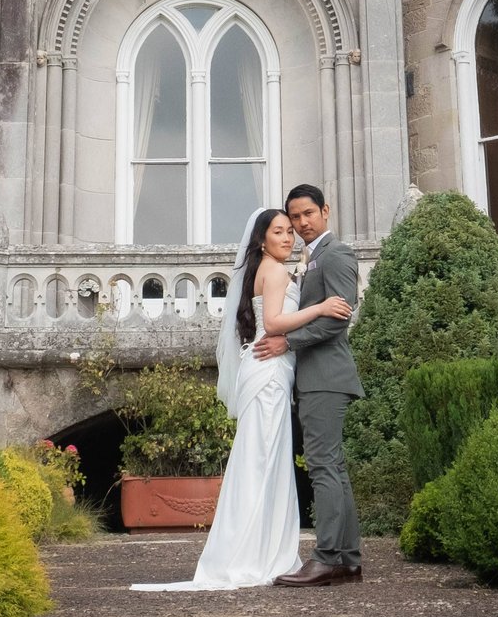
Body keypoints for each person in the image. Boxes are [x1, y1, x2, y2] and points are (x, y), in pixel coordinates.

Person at [131, 204, 353, 591]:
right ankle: (255, 552)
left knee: (259, 459)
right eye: (280, 231)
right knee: (264, 460)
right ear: (262, 239)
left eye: (290, 231)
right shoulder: (276, 270)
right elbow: (273, 324)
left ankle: (258, 548)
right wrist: (320, 305)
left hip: (267, 367)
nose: (288, 236)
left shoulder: (263, 269)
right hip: (269, 371)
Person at [259, 182, 364, 585]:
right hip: (316, 376)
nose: (302, 223)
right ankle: (348, 561)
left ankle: (325, 558)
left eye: (308, 214)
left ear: (326, 211)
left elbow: (338, 319)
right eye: (295, 216)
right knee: (332, 466)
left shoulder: (336, 254)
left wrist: (288, 342)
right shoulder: (311, 258)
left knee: (322, 465)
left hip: (326, 376)